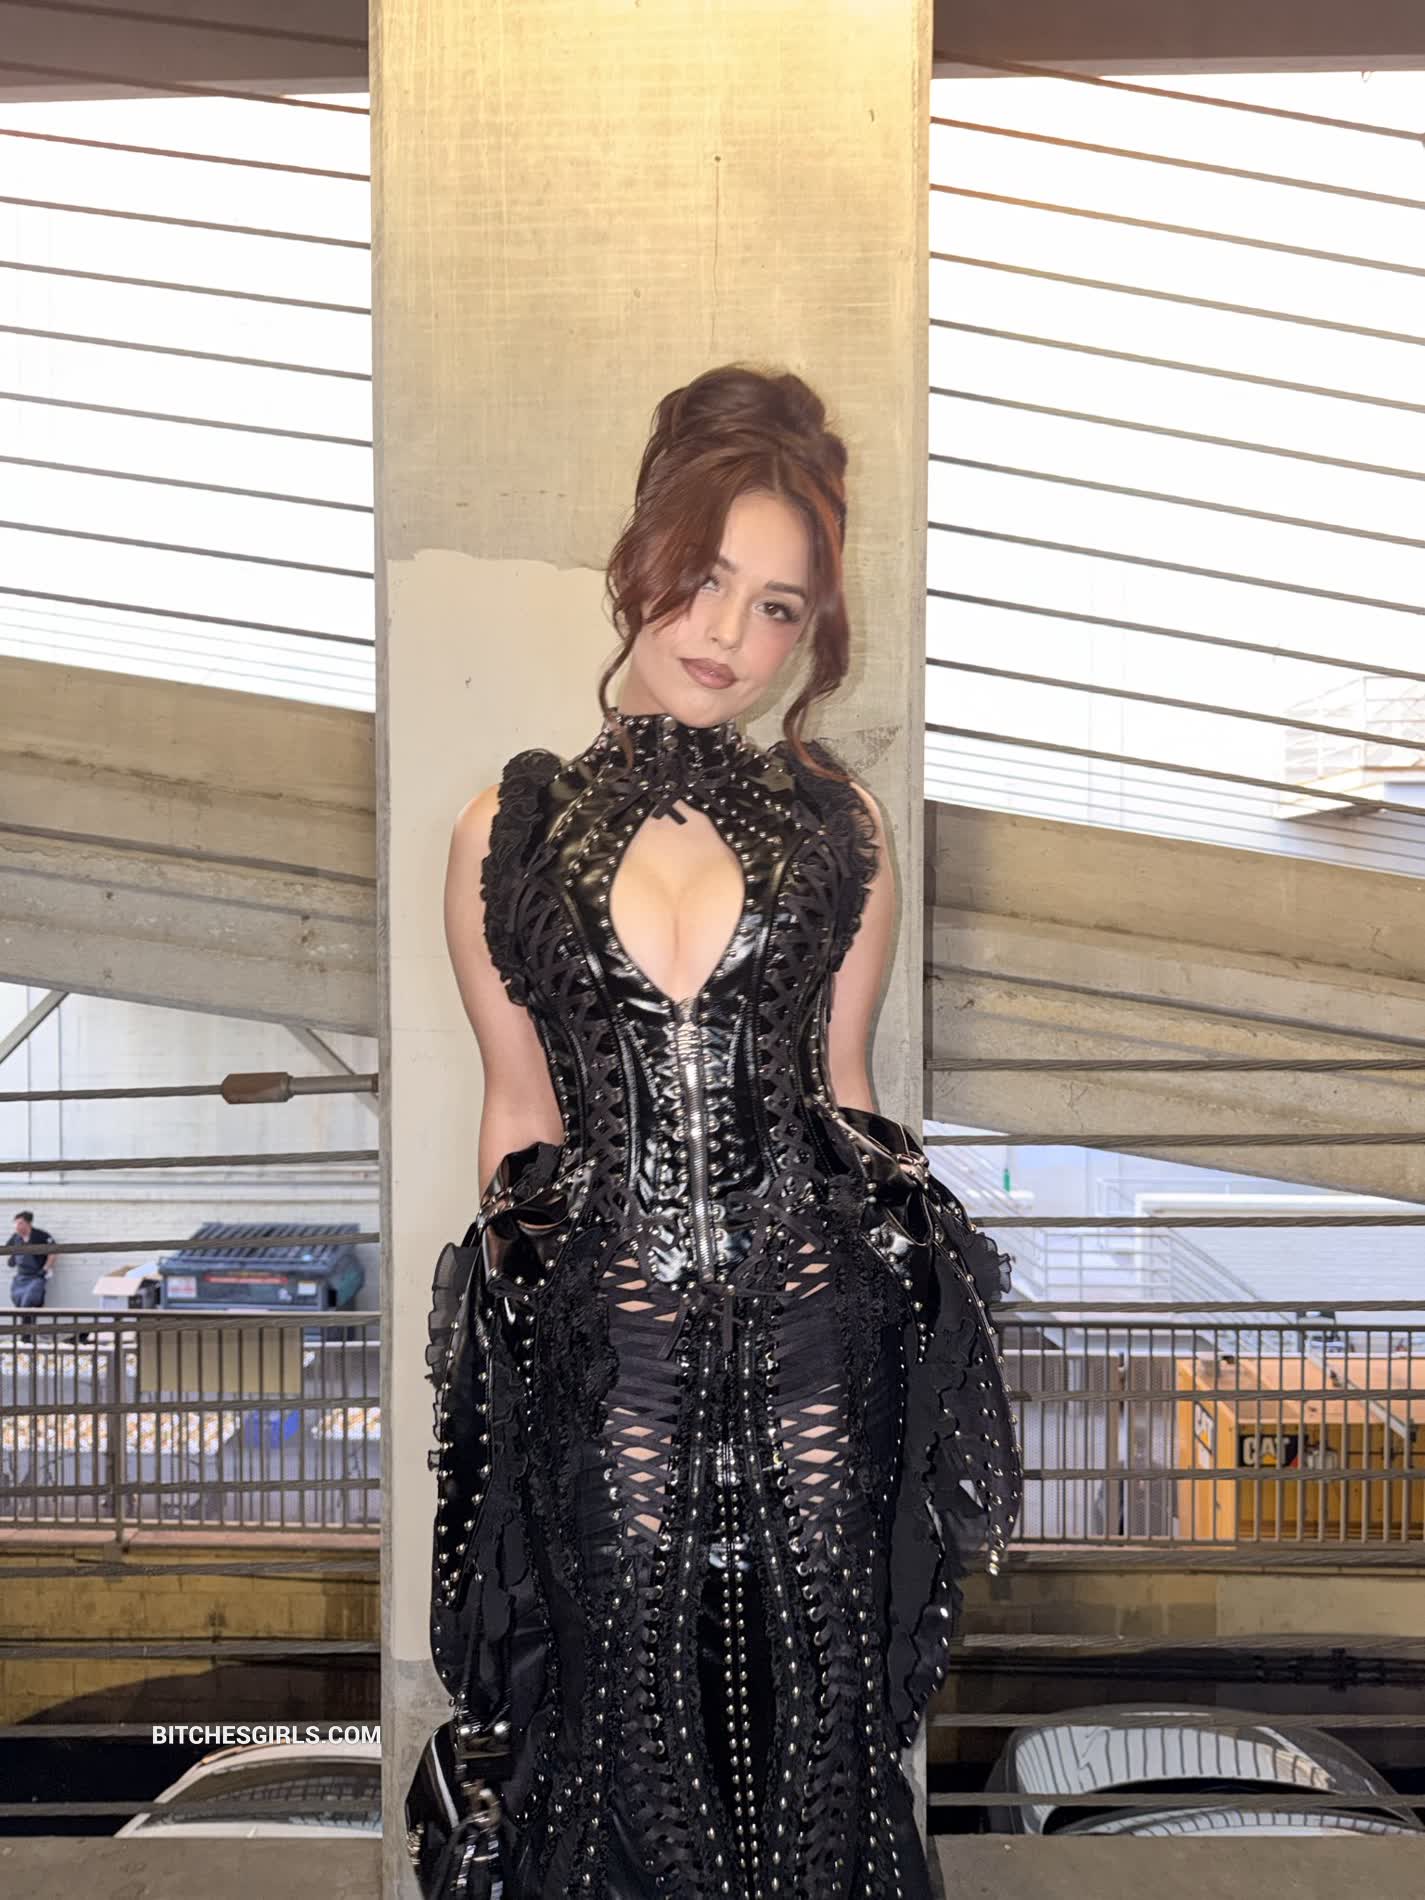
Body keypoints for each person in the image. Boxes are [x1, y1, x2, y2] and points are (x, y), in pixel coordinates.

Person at [410, 365, 1023, 1899]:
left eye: (775, 608)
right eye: (704, 579)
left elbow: (845, 1088)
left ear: (808, 635)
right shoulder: (504, 831)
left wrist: (909, 1308)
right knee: (617, 1711)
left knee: (818, 1715)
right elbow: (520, 1111)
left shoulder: (840, 826)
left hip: (821, 1335)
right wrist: (524, 1356)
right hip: (605, 1343)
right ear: (641, 559)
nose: (727, 633)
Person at [8, 1209, 56, 1318]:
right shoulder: (15, 1238)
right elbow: (8, 1251)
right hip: (21, 1277)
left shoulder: (41, 1236)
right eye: (15, 1223)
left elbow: (53, 1252)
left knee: (29, 1300)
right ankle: (27, 1326)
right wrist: (12, 1258)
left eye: (20, 1223)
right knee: (17, 1300)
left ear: (28, 1223)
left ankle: (27, 1327)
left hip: (36, 1276)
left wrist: (45, 1269)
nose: (17, 1226)